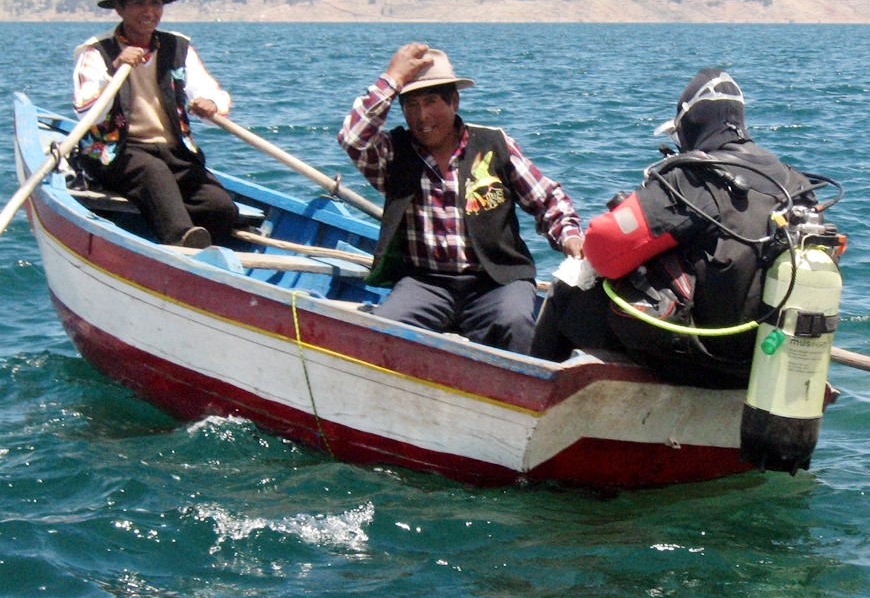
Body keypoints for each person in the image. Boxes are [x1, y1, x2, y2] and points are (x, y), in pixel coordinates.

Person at [532, 68, 831, 387]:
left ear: (692, 124)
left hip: (694, 360)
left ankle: (532, 391)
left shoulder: (693, 179)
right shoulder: (795, 186)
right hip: (762, 360)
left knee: (569, 287)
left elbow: (601, 247)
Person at [338, 42, 584, 353]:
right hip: (425, 284)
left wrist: (570, 237)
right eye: (411, 105)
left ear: (454, 101)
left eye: (430, 102)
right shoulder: (392, 154)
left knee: (517, 324)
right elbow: (352, 137)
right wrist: (392, 78)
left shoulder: (493, 144)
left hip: (496, 282)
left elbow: (547, 198)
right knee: (383, 334)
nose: (422, 116)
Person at [72, 0, 239, 248]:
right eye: (138, 3)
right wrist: (116, 70)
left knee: (220, 207)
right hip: (117, 152)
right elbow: (88, 111)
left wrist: (210, 103)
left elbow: (214, 93)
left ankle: (179, 226)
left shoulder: (177, 48)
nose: (149, 11)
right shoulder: (97, 52)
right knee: (153, 173)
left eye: (156, 3)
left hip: (174, 152)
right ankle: (181, 243)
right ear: (120, 9)